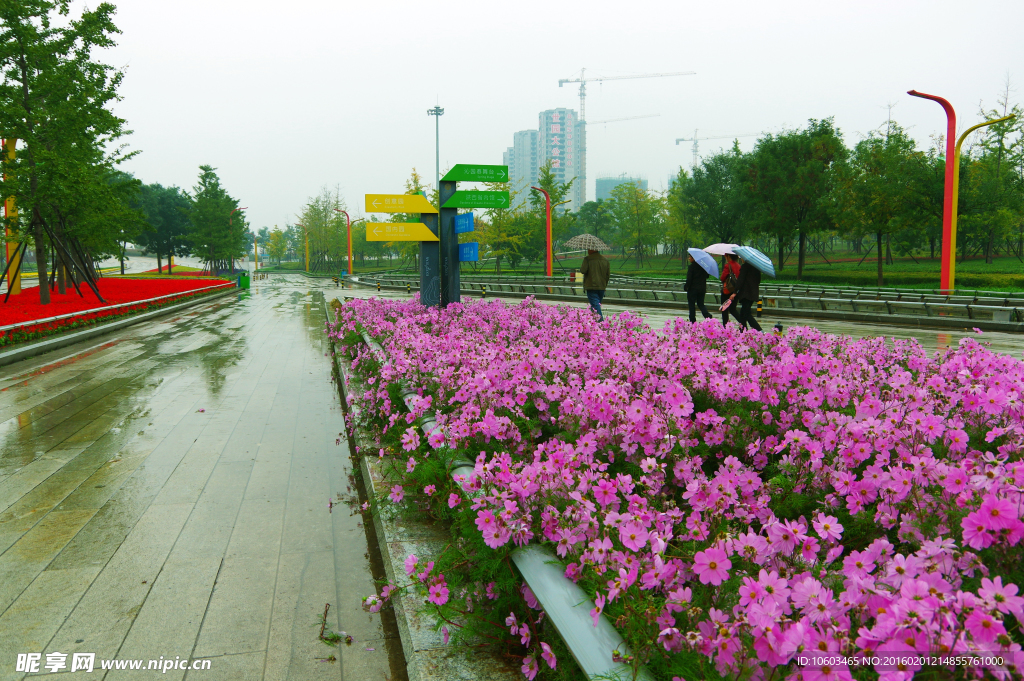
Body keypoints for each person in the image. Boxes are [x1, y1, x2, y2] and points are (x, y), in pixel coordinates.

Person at [728, 257, 763, 331]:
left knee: (746, 314)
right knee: (743, 314)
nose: (741, 259)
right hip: (753, 293)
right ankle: (743, 331)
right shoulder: (757, 267)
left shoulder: (745, 266)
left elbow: (740, 280)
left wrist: (735, 292)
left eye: (742, 258)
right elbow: (758, 280)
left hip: (746, 293)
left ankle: (759, 330)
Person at [580, 248, 610, 321]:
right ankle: (593, 324)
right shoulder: (605, 260)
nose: (587, 250)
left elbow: (583, 270)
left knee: (595, 306)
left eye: (588, 249)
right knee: (595, 305)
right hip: (602, 287)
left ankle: (601, 323)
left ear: (592, 250)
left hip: (591, 286)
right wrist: (604, 285)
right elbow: (607, 275)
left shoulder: (588, 259)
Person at [683, 254, 712, 322]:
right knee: (701, 304)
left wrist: (686, 286)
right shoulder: (704, 266)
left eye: (690, 257)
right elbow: (707, 276)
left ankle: (692, 320)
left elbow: (689, 278)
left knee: (691, 304)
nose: (689, 258)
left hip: (693, 289)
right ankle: (707, 315)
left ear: (694, 258)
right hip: (702, 289)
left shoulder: (691, 267)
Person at [720, 253, 741, 326]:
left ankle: (725, 327)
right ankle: (742, 324)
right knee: (733, 309)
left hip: (727, 290)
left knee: (724, 309)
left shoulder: (727, 265)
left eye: (726, 256)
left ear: (728, 256)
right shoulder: (738, 265)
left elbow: (722, 278)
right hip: (735, 291)